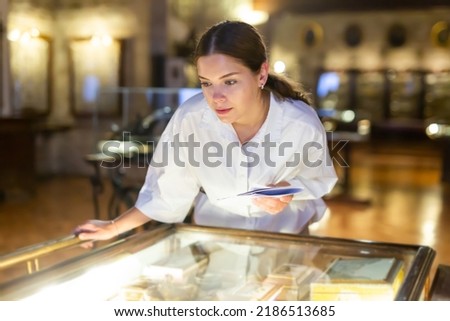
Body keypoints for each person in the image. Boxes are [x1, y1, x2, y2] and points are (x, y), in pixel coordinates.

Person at [75, 20, 337, 242]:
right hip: (216, 237)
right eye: (206, 83)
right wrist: (112, 227)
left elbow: (319, 179)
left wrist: (289, 189)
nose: (216, 97)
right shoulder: (191, 118)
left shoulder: (299, 122)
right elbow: (167, 193)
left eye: (230, 81)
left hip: (285, 237)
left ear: (261, 74)